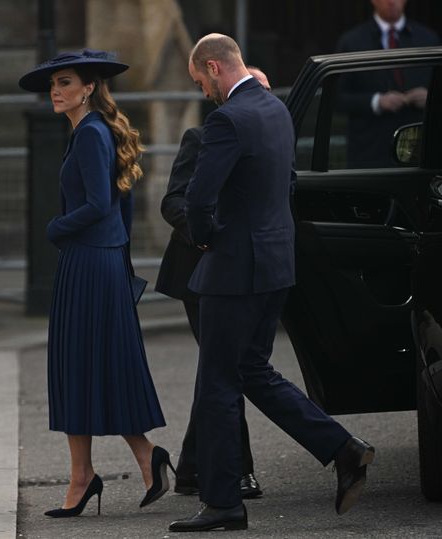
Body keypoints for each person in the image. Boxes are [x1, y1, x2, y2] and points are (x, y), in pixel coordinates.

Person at [168, 34, 375, 533]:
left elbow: (197, 200)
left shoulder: (228, 120)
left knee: (217, 383)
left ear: (214, 68)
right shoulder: (276, 111)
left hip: (233, 269)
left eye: (201, 82)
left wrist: (204, 239)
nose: (204, 94)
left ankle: (223, 503)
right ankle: (342, 448)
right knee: (254, 372)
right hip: (276, 265)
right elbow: (286, 184)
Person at [18, 49, 171, 518]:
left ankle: (117, 465)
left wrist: (56, 228)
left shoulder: (90, 134)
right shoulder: (92, 131)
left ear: (88, 88)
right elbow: (120, 209)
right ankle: (113, 467)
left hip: (89, 263)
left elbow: (100, 204)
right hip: (96, 262)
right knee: (86, 366)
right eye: (53, 84)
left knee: (84, 365)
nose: (56, 91)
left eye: (65, 83)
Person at [155, 66, 271, 501]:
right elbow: (173, 201)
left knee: (219, 372)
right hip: (199, 273)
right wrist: (206, 237)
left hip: (247, 272)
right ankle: (238, 469)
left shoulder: (271, 139)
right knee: (228, 370)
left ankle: (189, 468)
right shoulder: (203, 137)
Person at [335, 0, 440, 168]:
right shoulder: (352, 42)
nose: (391, 2)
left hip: (418, 152)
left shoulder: (428, 39)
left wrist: (431, 97)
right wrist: (376, 101)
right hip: (369, 155)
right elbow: (336, 99)